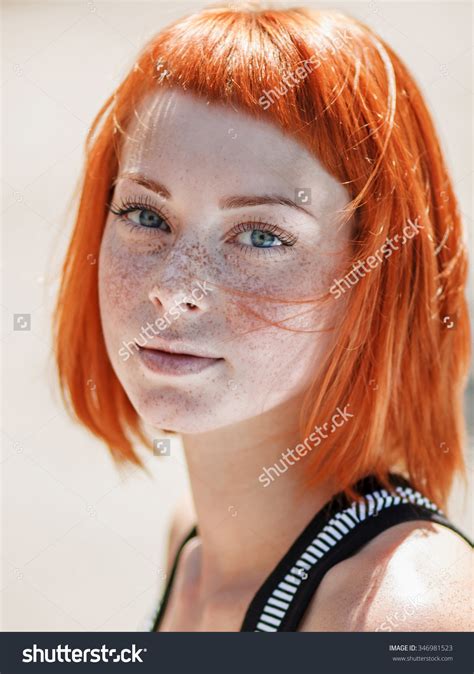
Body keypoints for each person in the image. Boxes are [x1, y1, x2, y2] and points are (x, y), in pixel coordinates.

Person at [53, 3, 472, 632]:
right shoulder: (194, 544)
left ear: (374, 277)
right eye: (146, 216)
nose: (175, 289)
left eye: (262, 236)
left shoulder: (400, 610)